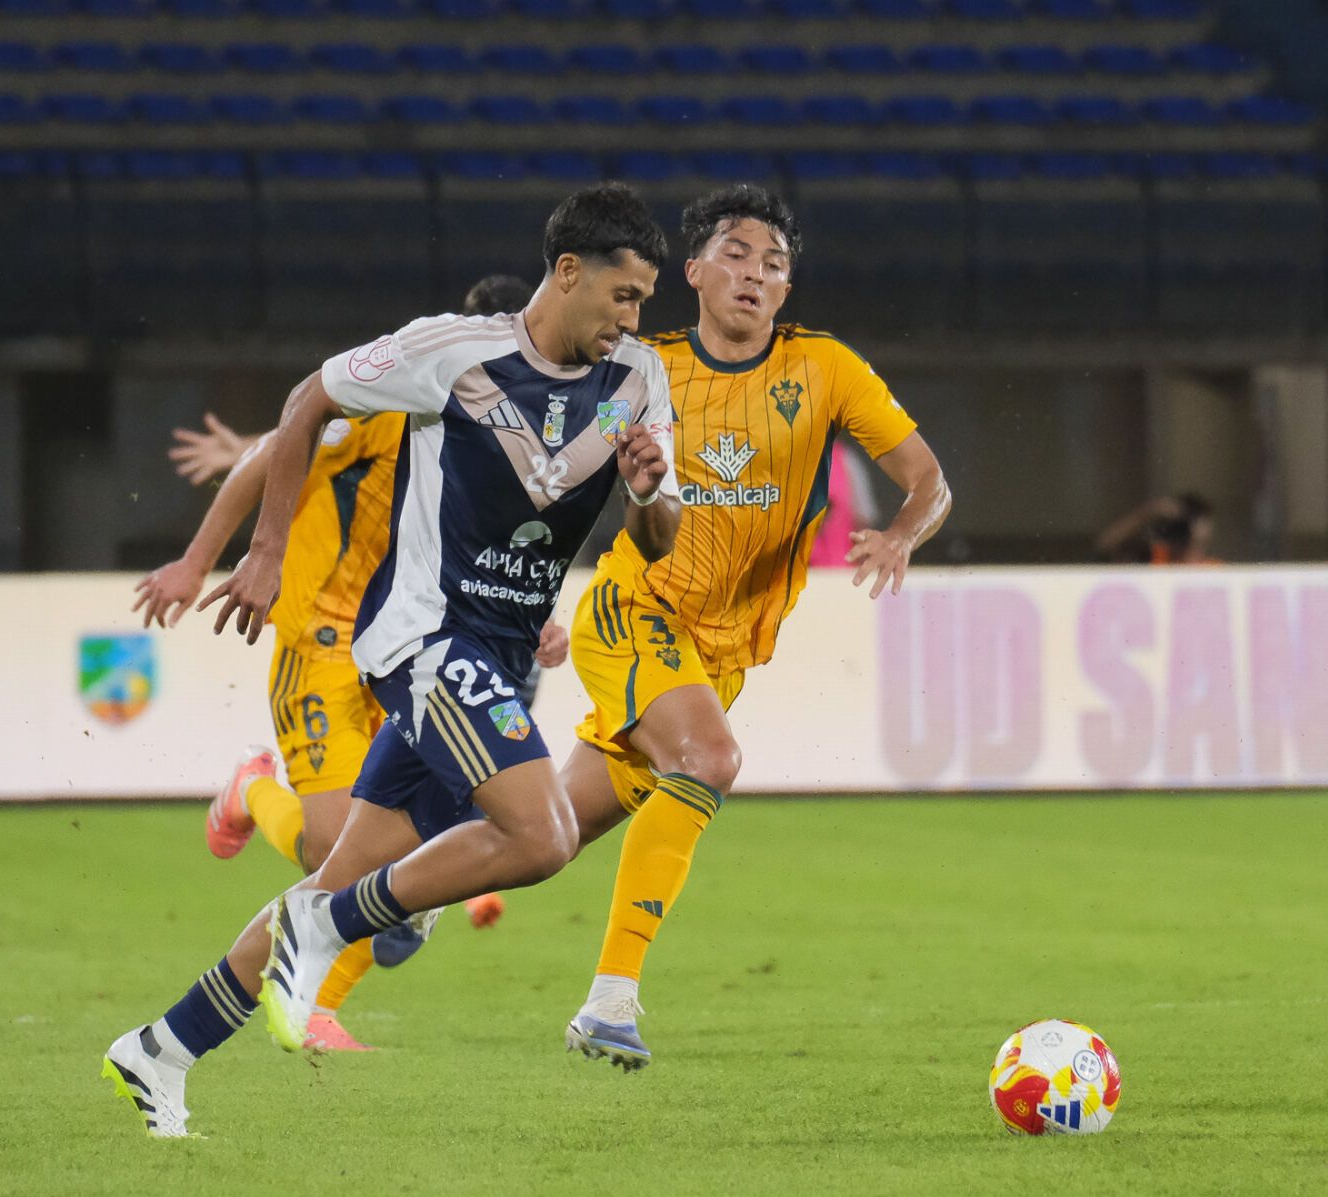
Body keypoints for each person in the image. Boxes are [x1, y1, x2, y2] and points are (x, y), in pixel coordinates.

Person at [102, 183, 679, 1137]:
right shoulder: (453, 352)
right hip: (421, 639)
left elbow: (658, 540)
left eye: (644, 301)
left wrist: (649, 491)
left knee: (335, 876)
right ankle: (327, 932)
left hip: (498, 650)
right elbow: (307, 401)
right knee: (543, 837)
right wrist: (268, 549)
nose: (634, 317)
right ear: (568, 273)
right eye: (624, 295)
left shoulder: (640, 382)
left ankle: (162, 1047)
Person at [551, 184, 951, 1069]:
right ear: (691, 272)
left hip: (722, 650)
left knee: (540, 837)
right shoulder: (637, 366)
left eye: (774, 264)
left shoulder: (826, 371)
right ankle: (612, 1001)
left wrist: (900, 533)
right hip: (635, 608)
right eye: (735, 254)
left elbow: (931, 481)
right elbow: (554, 482)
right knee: (711, 759)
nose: (755, 274)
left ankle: (388, 893)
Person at [130, 276, 552, 1053]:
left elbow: (494, 546)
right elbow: (280, 442)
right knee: (334, 852)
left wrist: (542, 616)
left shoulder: (511, 435)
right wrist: (200, 562)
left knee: (389, 856)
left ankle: (318, 997)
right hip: (319, 639)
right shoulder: (404, 396)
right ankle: (252, 787)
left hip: (408, 644)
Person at [1096, 491, 1217, 565]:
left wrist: (1195, 542)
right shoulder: (1154, 558)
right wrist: (1147, 513)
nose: (1184, 533)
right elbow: (1106, 544)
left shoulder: (1214, 571)